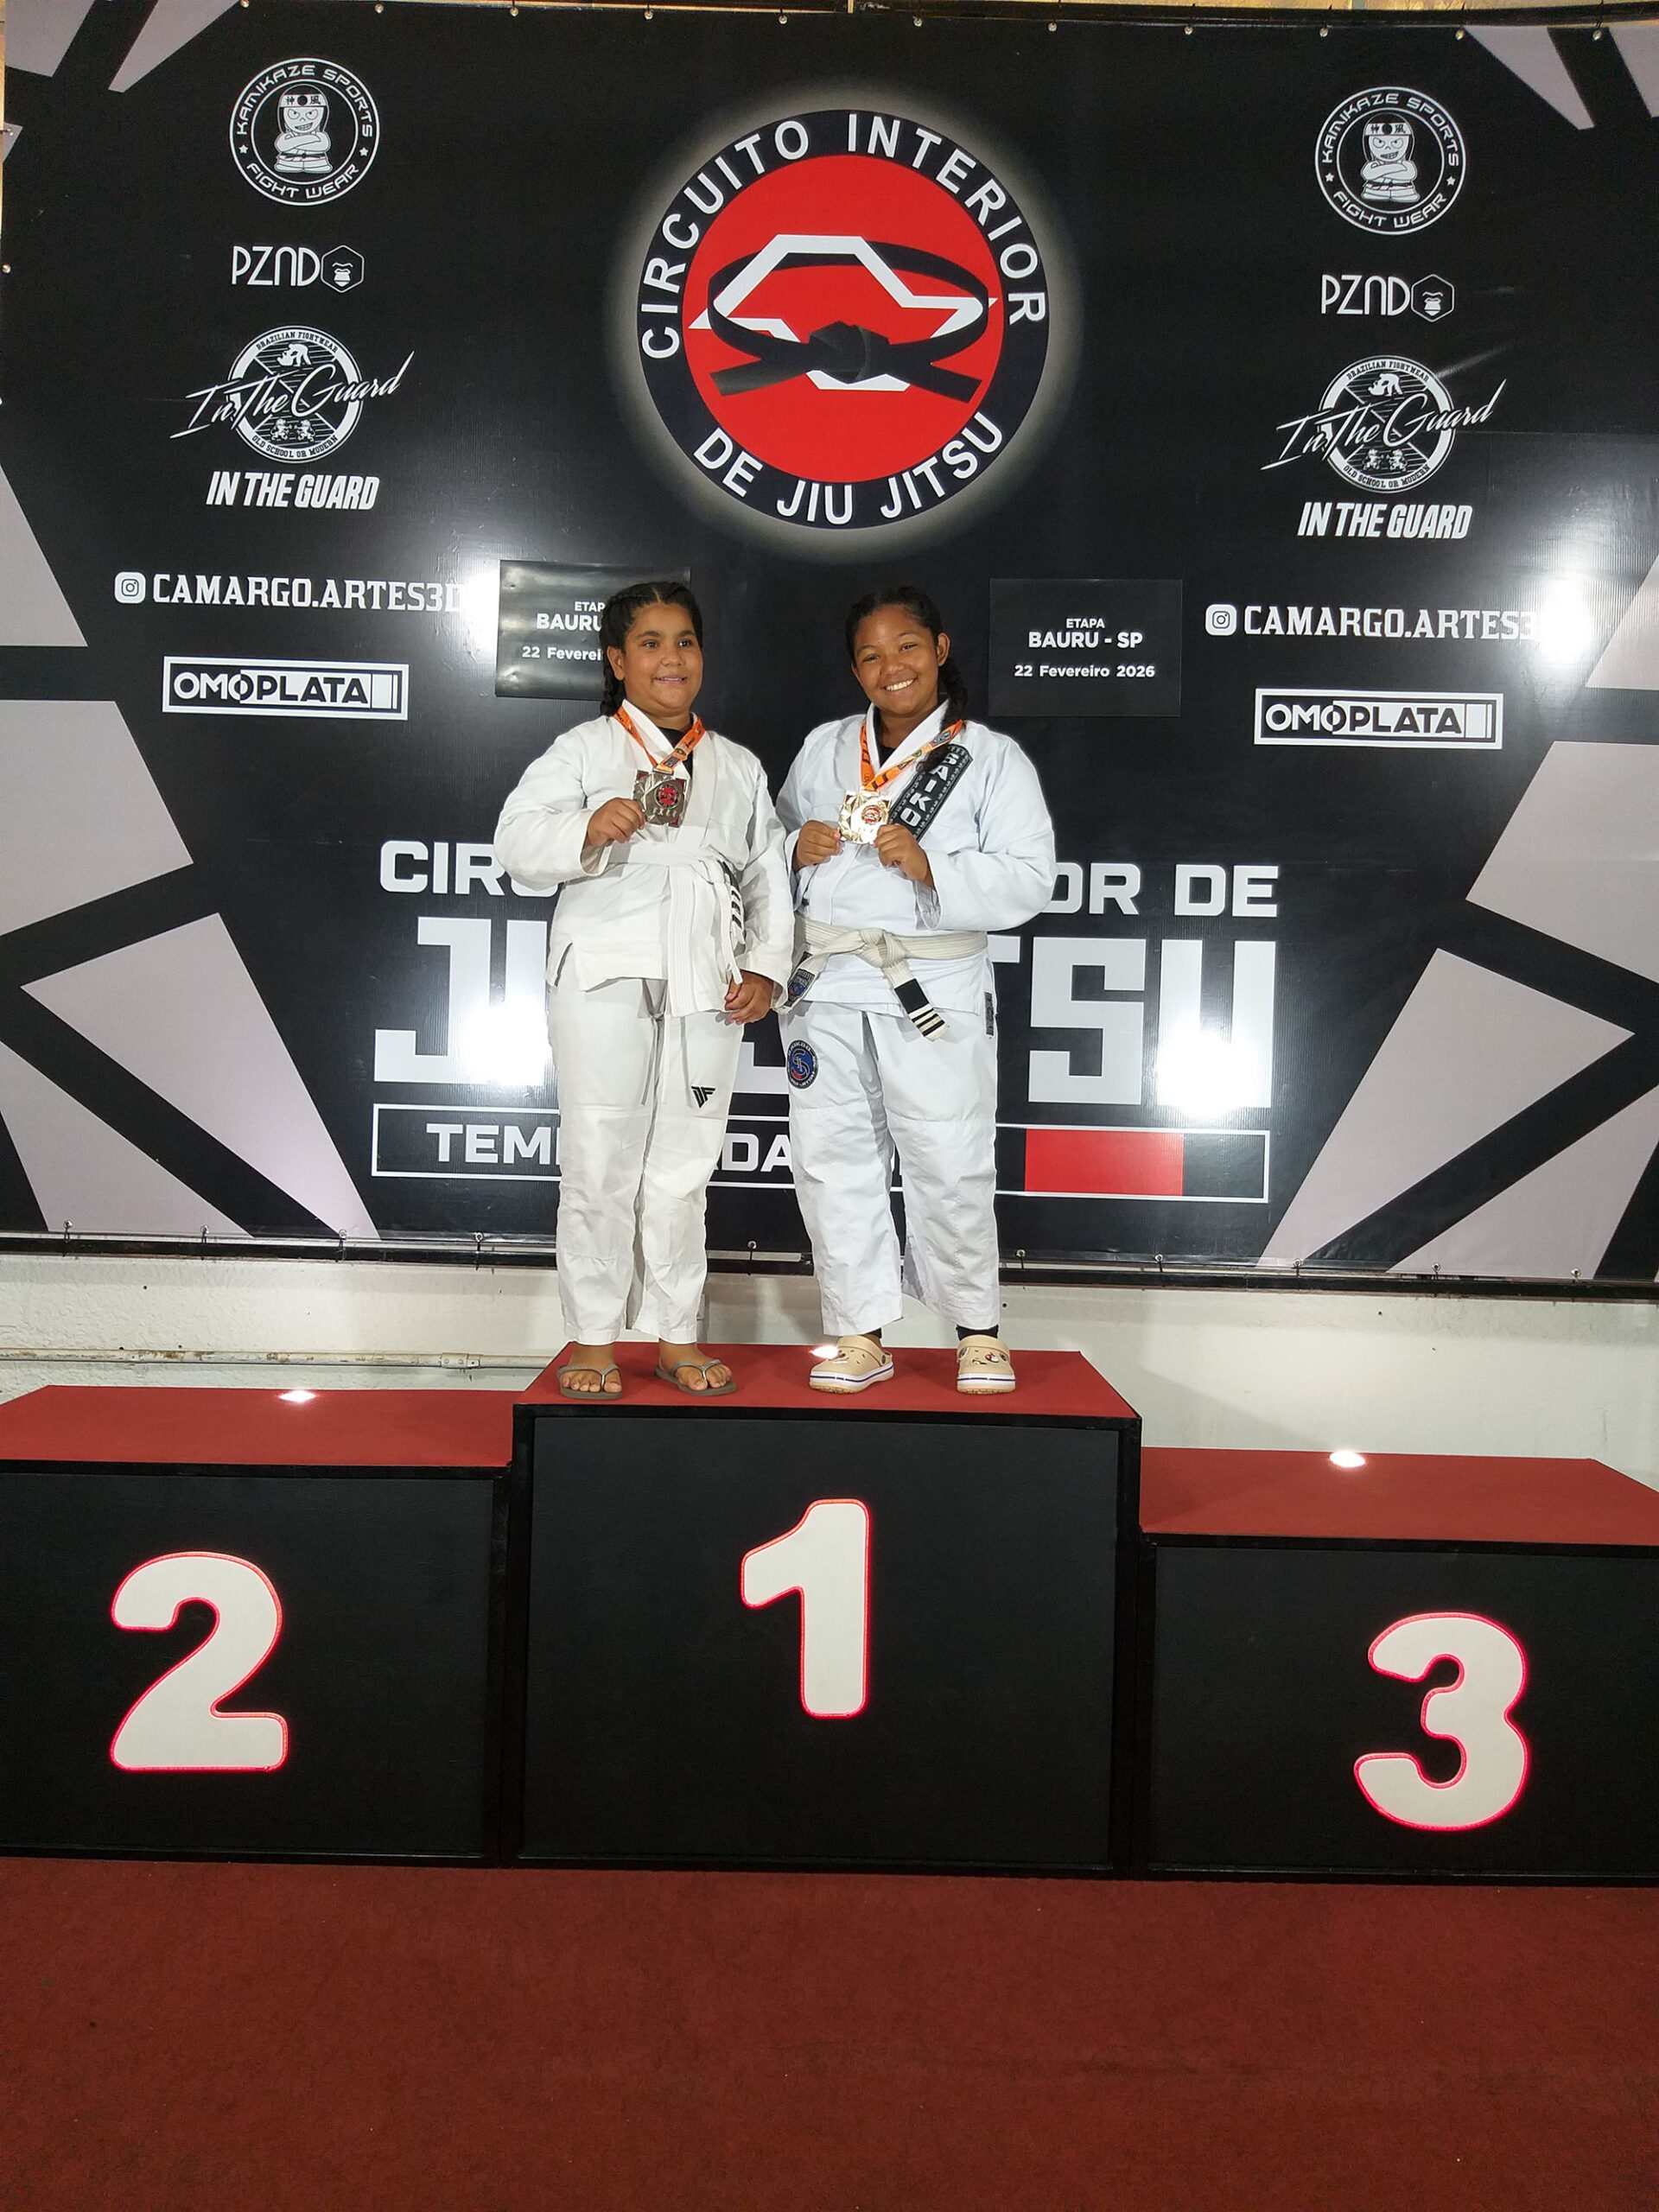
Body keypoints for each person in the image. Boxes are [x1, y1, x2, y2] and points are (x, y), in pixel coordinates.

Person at [494, 581, 791, 1399]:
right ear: (617, 661)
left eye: (685, 641)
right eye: (651, 643)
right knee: (598, 1156)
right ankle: (592, 1338)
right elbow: (515, 841)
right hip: (604, 968)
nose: (672, 659)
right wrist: (585, 828)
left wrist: (765, 965)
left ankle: (674, 1333)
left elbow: (766, 872)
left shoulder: (736, 765)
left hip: (707, 975)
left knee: (686, 1164)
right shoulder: (585, 750)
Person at [777, 584, 1055, 1395]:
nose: (890, 667)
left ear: (939, 650)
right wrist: (796, 846)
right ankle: (859, 1334)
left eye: (906, 647)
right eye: (870, 655)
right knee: (833, 1160)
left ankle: (979, 1333)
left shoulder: (991, 759)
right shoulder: (827, 747)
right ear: (854, 669)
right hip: (829, 983)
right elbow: (768, 843)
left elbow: (1031, 876)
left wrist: (934, 866)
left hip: (929, 985)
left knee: (950, 1154)